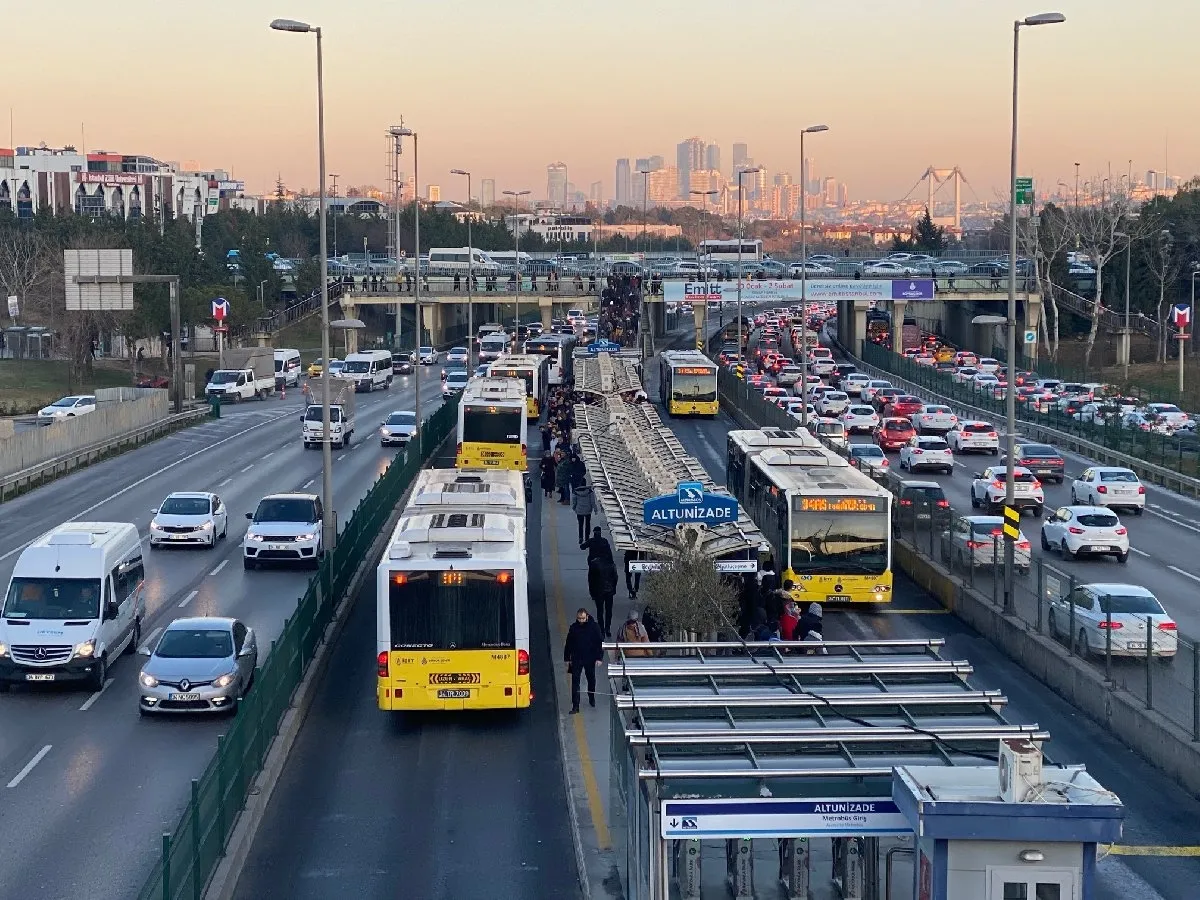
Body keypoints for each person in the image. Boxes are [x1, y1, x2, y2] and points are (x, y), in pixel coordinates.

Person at [563, 608, 604, 713]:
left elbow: (599, 643)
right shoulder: (573, 628)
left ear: (587, 617)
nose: (580, 620)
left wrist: (599, 658)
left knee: (591, 679)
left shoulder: (594, 627)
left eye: (582, 618)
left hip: (590, 658)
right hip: (576, 659)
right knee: (575, 682)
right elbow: (568, 644)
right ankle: (575, 706)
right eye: (579, 618)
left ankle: (591, 696)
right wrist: (567, 658)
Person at [588, 553, 619, 638]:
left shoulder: (594, 564)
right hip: (609, 591)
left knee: (600, 611)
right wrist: (613, 588)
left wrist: (592, 592)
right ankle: (607, 628)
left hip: (598, 591)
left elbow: (591, 579)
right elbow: (615, 578)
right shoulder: (611, 564)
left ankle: (601, 630)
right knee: (609, 611)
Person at [571, 477, 596, 544]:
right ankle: (587, 538)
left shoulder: (576, 491)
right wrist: (595, 509)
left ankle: (580, 537)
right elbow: (592, 502)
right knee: (587, 524)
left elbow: (574, 501)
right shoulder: (590, 491)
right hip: (588, 510)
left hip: (579, 510)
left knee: (580, 524)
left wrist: (574, 508)